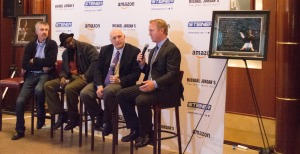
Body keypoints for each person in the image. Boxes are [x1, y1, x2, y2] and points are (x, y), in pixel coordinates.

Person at [117, 19, 182, 148]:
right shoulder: (153, 50)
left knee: (141, 100)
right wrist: (142, 65)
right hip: (153, 87)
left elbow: (173, 74)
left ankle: (147, 134)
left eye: (151, 30)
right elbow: (152, 72)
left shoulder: (172, 49)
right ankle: (136, 129)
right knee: (122, 94)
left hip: (166, 90)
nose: (149, 33)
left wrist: (155, 83)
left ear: (161, 30)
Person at [80, 28, 141, 136]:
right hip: (103, 82)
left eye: (119, 37)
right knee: (85, 93)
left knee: (108, 91)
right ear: (111, 40)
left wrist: (120, 80)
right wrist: (99, 86)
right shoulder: (105, 50)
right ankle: (100, 115)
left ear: (124, 37)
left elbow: (136, 74)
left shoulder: (134, 51)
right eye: (114, 38)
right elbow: (97, 69)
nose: (117, 40)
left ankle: (107, 122)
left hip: (121, 84)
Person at [12, 21, 58, 140]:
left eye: (46, 30)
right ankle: (20, 130)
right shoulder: (30, 45)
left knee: (39, 90)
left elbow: (50, 61)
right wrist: (41, 64)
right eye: (41, 30)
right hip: (31, 75)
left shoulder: (52, 44)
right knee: (20, 101)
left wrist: (35, 60)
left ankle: (41, 118)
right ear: (36, 31)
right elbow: (24, 64)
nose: (44, 32)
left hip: (45, 75)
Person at [44, 33, 99, 131]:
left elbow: (96, 61)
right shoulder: (65, 53)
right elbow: (65, 69)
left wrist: (86, 75)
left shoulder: (86, 47)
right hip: (71, 77)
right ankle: (61, 114)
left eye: (71, 40)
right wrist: (62, 77)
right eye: (67, 43)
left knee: (70, 88)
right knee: (48, 85)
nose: (71, 43)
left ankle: (74, 118)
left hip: (85, 78)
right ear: (64, 45)